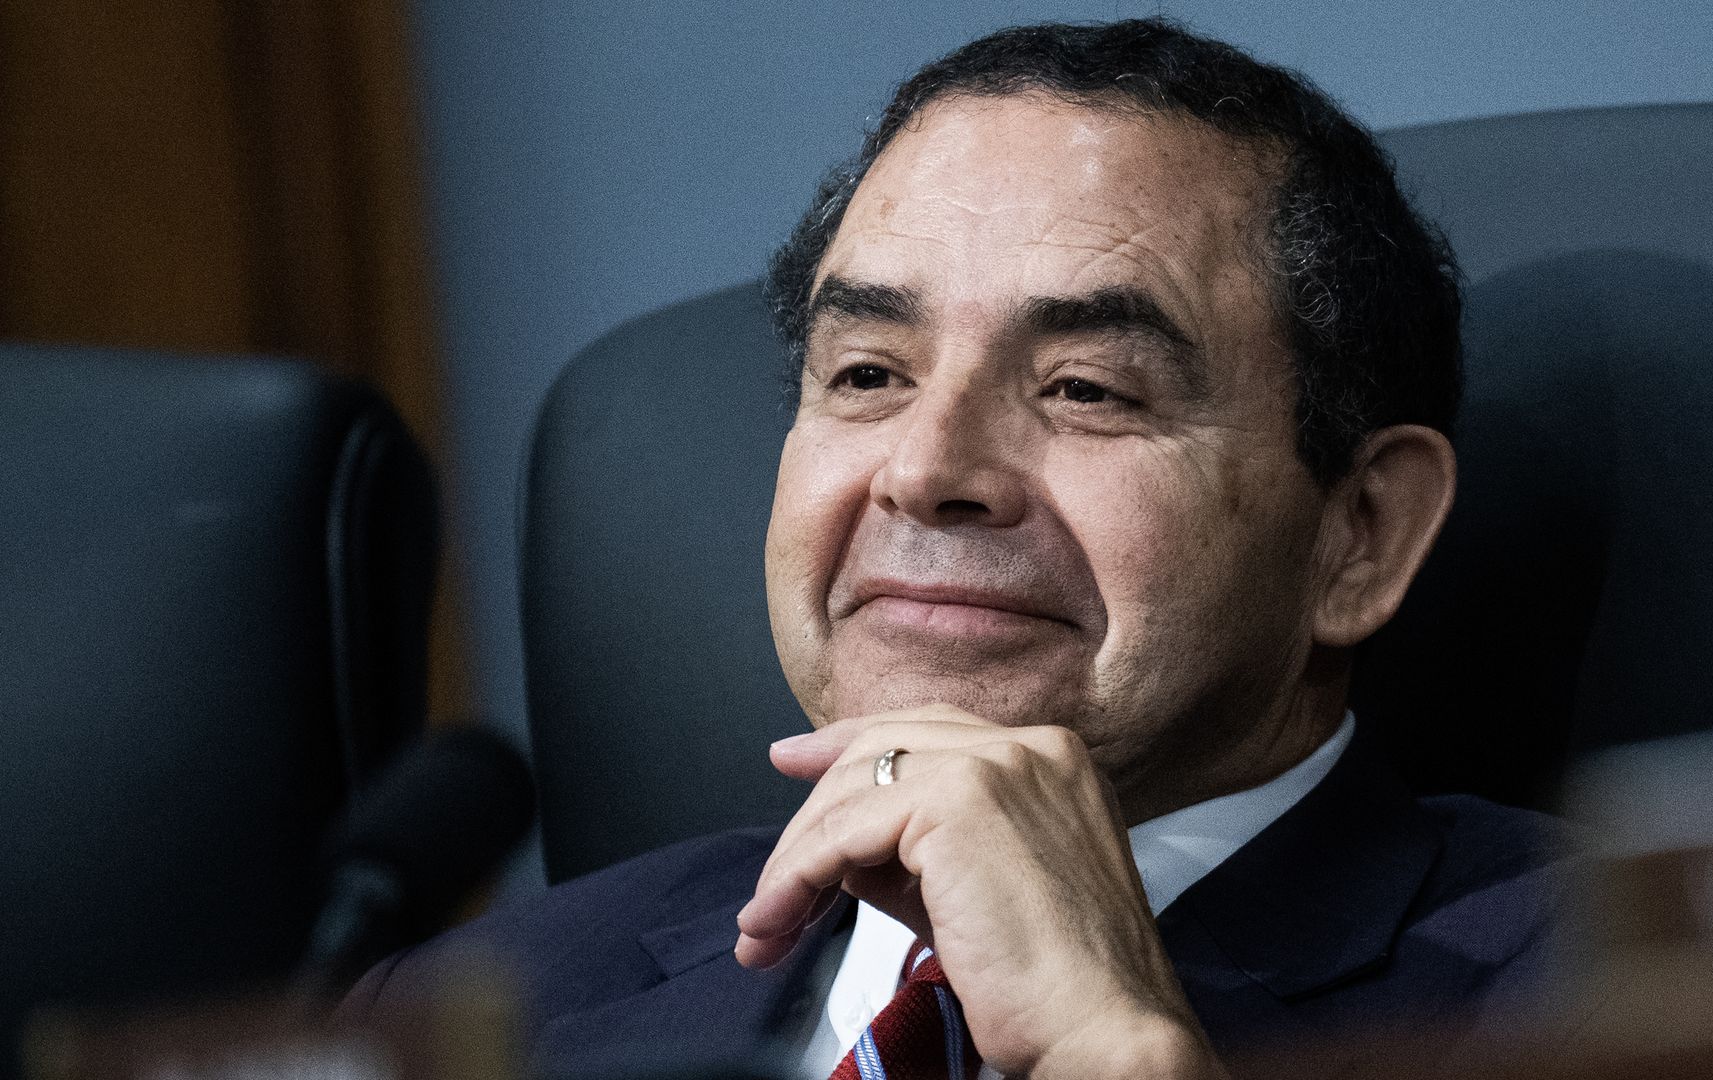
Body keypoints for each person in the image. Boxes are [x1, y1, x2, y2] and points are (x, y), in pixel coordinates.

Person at [346, 18, 1569, 1079]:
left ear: (1362, 534)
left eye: (1087, 388)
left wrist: (1116, 1051)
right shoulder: (472, 1015)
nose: (928, 473)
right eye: (868, 374)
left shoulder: (1628, 987)